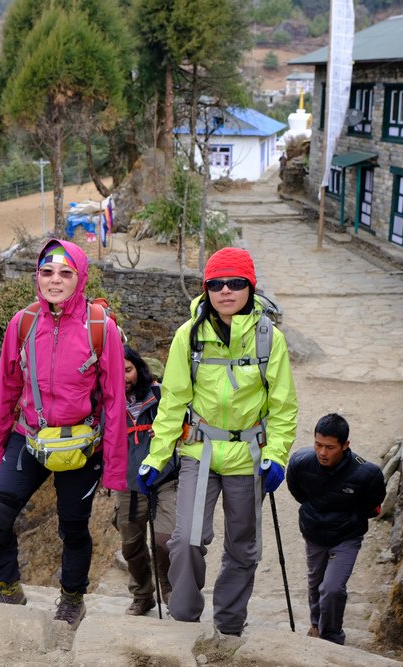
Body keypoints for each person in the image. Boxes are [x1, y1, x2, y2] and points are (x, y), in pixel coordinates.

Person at [138, 246, 298, 636]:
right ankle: (185, 618)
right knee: (186, 539)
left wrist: (276, 455)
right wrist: (156, 458)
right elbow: (173, 399)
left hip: (250, 454)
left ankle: (228, 626)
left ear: (250, 286)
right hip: (199, 450)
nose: (226, 291)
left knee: (243, 547)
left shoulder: (268, 339)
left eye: (236, 283)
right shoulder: (188, 335)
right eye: (216, 284)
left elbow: (283, 405)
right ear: (206, 288)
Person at [0, 239, 126, 628]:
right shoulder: (23, 323)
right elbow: (6, 390)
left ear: (80, 278)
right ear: (36, 277)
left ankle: (72, 598)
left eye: (65, 273)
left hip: (82, 443)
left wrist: (114, 469)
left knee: (73, 524)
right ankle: (6, 587)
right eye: (47, 272)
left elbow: (114, 400)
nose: (55, 280)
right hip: (30, 434)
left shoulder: (101, 328)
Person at [286, 413, 387, 645]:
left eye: (330, 447)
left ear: (345, 445)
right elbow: (298, 492)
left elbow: (373, 506)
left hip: (346, 538)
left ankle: (331, 638)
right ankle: (316, 626)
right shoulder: (301, 462)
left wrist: (348, 519)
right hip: (314, 533)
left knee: (331, 588)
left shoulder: (367, 474)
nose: (322, 452)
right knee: (315, 583)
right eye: (318, 445)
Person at [114, 346, 178, 615]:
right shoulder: (107, 403)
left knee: (167, 540)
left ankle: (171, 591)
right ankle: (142, 594)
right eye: (117, 371)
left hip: (166, 478)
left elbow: (183, 427)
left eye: (128, 370)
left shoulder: (161, 396)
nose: (124, 377)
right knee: (131, 544)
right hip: (129, 483)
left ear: (138, 368)